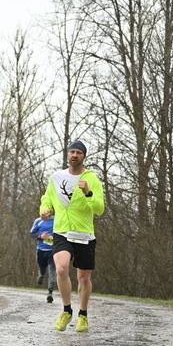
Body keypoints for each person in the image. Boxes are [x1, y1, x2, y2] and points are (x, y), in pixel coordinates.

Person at [40, 140, 104, 332]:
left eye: (79, 153)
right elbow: (47, 198)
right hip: (62, 231)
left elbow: (99, 209)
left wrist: (88, 192)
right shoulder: (57, 177)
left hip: (84, 233)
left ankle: (83, 314)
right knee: (61, 269)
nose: (75, 155)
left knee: (83, 278)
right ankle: (67, 310)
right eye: (72, 152)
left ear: (84, 156)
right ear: (68, 155)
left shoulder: (91, 178)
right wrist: (45, 210)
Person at [29, 215, 56, 303]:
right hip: (41, 250)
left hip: (52, 251)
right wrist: (41, 236)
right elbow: (32, 234)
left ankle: (50, 292)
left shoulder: (56, 219)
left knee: (52, 271)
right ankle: (41, 274)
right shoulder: (38, 221)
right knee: (42, 268)